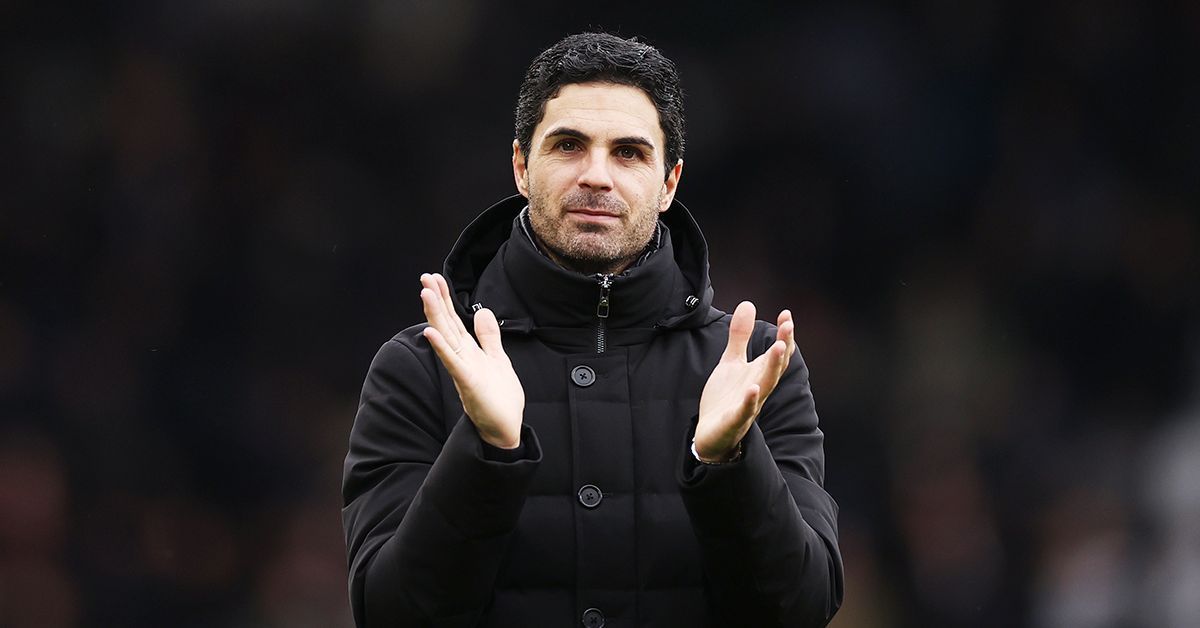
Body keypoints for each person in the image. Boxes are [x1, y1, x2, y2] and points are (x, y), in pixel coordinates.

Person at [342, 32, 843, 627]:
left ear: (670, 183)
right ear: (522, 167)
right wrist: (488, 454)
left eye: (629, 152)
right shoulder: (420, 367)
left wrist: (728, 463)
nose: (597, 177)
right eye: (568, 145)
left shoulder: (757, 368)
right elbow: (389, 615)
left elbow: (802, 609)